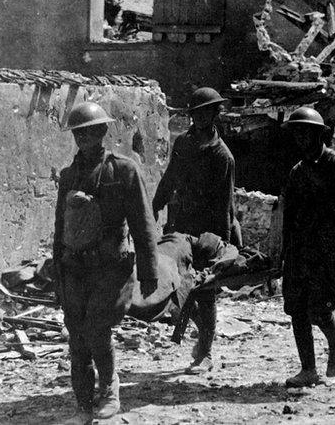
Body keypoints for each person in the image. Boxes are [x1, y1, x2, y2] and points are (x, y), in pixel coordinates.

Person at [54, 101, 159, 422]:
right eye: (78, 134)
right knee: (76, 332)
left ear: (102, 132)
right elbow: (60, 229)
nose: (84, 138)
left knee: (98, 328)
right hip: (75, 267)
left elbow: (142, 223)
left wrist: (148, 269)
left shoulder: (123, 170)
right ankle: (84, 398)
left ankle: (110, 389)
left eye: (90, 131)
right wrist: (57, 273)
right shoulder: (69, 176)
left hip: (112, 266)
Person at [280, 106, 335, 387]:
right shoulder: (297, 172)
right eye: (297, 133)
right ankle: (308, 370)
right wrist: (281, 255)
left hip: (328, 252)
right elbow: (288, 216)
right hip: (300, 251)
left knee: (319, 309)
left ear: (319, 134)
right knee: (296, 309)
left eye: (306, 132)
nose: (301, 138)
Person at [152, 87, 235, 374]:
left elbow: (225, 205)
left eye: (207, 112)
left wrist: (221, 245)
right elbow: (170, 176)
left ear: (215, 114)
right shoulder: (183, 145)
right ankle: (203, 339)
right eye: (197, 113)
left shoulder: (222, 157)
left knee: (205, 291)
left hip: (207, 232)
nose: (201, 117)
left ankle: (206, 353)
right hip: (179, 226)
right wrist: (156, 203)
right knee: (178, 288)